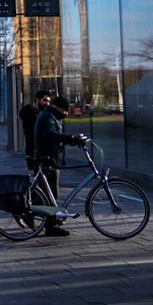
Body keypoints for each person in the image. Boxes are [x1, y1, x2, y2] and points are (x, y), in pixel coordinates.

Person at [34, 95, 87, 237]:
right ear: (58, 108)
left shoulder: (50, 115)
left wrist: (70, 140)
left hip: (50, 158)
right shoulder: (48, 117)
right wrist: (70, 137)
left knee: (49, 194)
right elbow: (50, 135)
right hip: (48, 159)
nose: (66, 114)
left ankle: (51, 223)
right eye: (65, 110)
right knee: (51, 194)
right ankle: (50, 226)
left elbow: (55, 135)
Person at [18, 90, 52, 171]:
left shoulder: (42, 114)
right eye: (45, 100)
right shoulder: (32, 114)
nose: (47, 103)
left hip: (41, 152)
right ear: (37, 100)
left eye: (49, 101)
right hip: (36, 153)